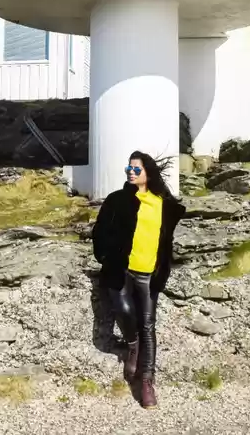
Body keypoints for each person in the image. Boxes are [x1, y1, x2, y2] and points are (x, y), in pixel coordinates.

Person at [92, 150, 187, 409]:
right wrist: (104, 255)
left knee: (148, 326)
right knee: (123, 310)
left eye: (136, 169)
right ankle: (132, 346)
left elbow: (166, 241)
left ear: (148, 174)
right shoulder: (117, 199)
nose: (130, 172)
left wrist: (163, 268)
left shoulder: (163, 204)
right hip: (121, 269)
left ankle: (147, 382)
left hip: (149, 274)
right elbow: (100, 230)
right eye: (128, 168)